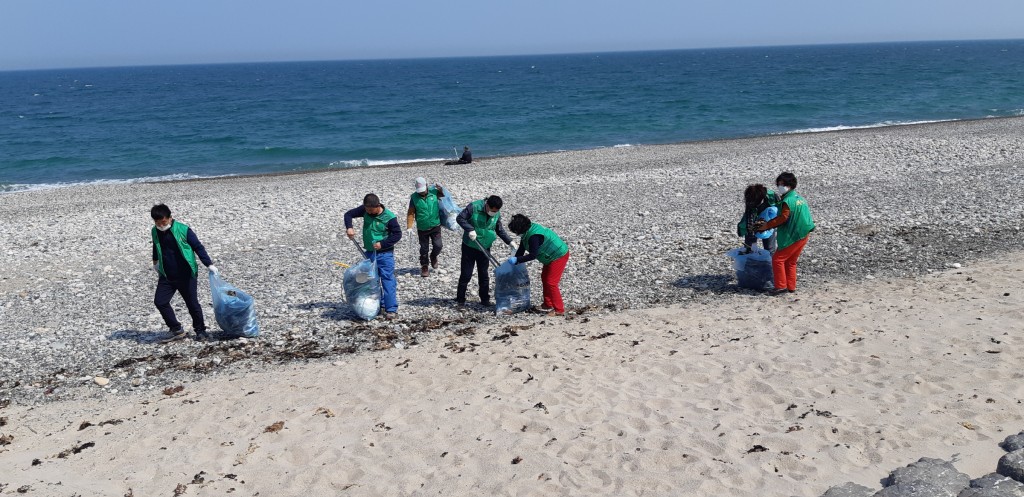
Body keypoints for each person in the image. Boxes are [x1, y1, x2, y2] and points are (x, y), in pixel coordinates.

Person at [150, 204, 217, 341]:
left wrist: (208, 264)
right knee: (160, 302)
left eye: (163, 222)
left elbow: (198, 247)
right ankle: (176, 329)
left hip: (186, 274)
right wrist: (156, 262)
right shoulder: (155, 231)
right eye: (158, 223)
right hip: (167, 275)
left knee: (192, 303)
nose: (161, 225)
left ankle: (200, 330)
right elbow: (156, 247)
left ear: (170, 218)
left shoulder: (183, 230)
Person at [754, 172, 815, 294]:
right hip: (804, 233)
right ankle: (791, 287)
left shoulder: (787, 201)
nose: (780, 186)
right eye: (779, 184)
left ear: (790, 185)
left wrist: (766, 226)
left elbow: (783, 217)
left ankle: (781, 286)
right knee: (790, 261)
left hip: (793, 236)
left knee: (778, 259)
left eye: (783, 184)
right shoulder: (800, 199)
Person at [344, 193, 403, 319]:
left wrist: (383, 244)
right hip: (369, 253)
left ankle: (391, 309)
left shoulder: (389, 217)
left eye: (371, 210)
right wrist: (349, 228)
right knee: (372, 280)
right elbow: (348, 214)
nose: (369, 212)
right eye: (367, 210)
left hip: (385, 254)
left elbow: (397, 234)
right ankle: (379, 305)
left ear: (378, 206)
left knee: (387, 280)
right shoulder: (365, 210)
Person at [456, 195, 513, 307]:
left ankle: (484, 299)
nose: (493, 213)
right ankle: (460, 299)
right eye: (492, 211)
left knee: (483, 274)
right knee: (466, 274)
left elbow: (499, 229)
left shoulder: (496, 213)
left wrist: (510, 242)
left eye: (496, 211)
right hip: (470, 245)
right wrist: (470, 229)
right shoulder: (474, 207)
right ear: (487, 205)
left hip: (485, 247)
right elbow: (460, 218)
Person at [507, 214, 570, 316]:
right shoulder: (527, 232)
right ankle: (547, 304)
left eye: (516, 232)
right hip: (549, 257)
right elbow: (521, 249)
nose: (516, 234)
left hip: (559, 255)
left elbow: (532, 255)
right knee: (544, 277)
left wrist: (517, 259)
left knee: (551, 282)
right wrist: (515, 262)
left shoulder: (534, 237)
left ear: (520, 229)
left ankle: (559, 309)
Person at [406, 177, 446, 278]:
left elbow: (444, 196)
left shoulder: (434, 192)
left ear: (427, 186)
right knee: (424, 248)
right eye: (420, 191)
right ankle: (424, 266)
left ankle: (433, 256)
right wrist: (409, 226)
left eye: (423, 190)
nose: (422, 193)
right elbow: (411, 213)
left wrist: (441, 188)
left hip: (435, 225)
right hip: (422, 228)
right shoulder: (414, 198)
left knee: (438, 245)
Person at [736, 184, 780, 254]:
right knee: (749, 246)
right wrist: (753, 241)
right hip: (755, 217)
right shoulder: (750, 198)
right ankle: (749, 253)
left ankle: (770, 260)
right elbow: (749, 220)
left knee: (769, 248)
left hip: (769, 220)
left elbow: (781, 211)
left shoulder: (772, 197)